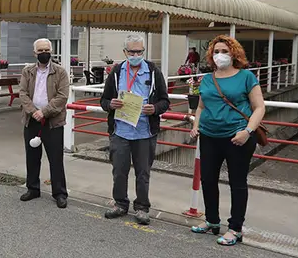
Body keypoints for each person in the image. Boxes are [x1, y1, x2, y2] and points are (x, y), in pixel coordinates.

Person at [189, 35, 265, 246]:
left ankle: (235, 228)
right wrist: (196, 126)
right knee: (208, 180)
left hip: (237, 137)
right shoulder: (207, 79)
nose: (220, 55)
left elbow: (260, 107)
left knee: (237, 183)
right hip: (209, 136)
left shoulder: (246, 77)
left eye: (224, 51)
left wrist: (248, 131)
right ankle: (212, 221)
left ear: (234, 54)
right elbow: (202, 107)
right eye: (216, 52)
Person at [99, 34, 171, 225]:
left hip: (144, 131)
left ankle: (142, 207)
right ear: (125, 52)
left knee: (143, 172)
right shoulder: (116, 72)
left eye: (140, 51)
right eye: (132, 51)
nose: (136, 54)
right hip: (121, 131)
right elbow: (104, 101)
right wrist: (110, 104)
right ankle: (120, 204)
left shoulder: (154, 72)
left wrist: (155, 108)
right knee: (119, 171)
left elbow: (165, 101)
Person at [18, 38, 70, 208]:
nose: (44, 53)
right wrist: (34, 112)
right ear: (35, 53)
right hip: (32, 120)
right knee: (32, 157)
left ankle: (60, 193)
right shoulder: (28, 72)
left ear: (52, 51)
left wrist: (44, 112)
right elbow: (23, 94)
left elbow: (62, 97)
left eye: (46, 50)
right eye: (40, 51)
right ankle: (32, 188)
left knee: (56, 158)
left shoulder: (60, 72)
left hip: (53, 121)